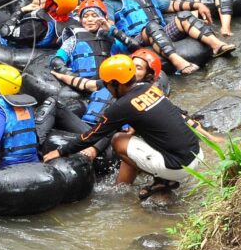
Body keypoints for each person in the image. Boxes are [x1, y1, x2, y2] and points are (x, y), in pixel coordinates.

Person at [43, 54, 206, 200]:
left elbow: (93, 135)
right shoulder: (149, 88)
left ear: (115, 83)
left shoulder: (122, 106)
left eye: (107, 85)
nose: (106, 89)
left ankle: (163, 180)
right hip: (197, 155)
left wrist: (60, 151)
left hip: (178, 167)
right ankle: (123, 187)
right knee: (131, 141)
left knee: (119, 140)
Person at [102, 0, 235, 74]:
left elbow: (172, 5)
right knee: (151, 26)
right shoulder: (111, 2)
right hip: (136, 40)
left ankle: (217, 46)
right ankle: (178, 62)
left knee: (184, 16)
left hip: (159, 33)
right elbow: (109, 25)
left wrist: (197, 5)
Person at [51, 47, 168, 133]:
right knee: (52, 104)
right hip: (86, 126)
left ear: (148, 76)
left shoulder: (147, 97)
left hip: (103, 134)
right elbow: (84, 84)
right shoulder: (112, 82)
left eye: (138, 68)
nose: (132, 69)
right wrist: (61, 76)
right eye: (131, 65)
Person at [50, 0, 123, 79]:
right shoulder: (73, 39)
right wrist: (71, 76)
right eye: (85, 16)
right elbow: (57, 60)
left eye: (95, 16)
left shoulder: (112, 37)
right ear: (81, 20)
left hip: (107, 83)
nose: (90, 19)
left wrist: (113, 30)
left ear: (103, 18)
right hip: (79, 84)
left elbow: (132, 48)